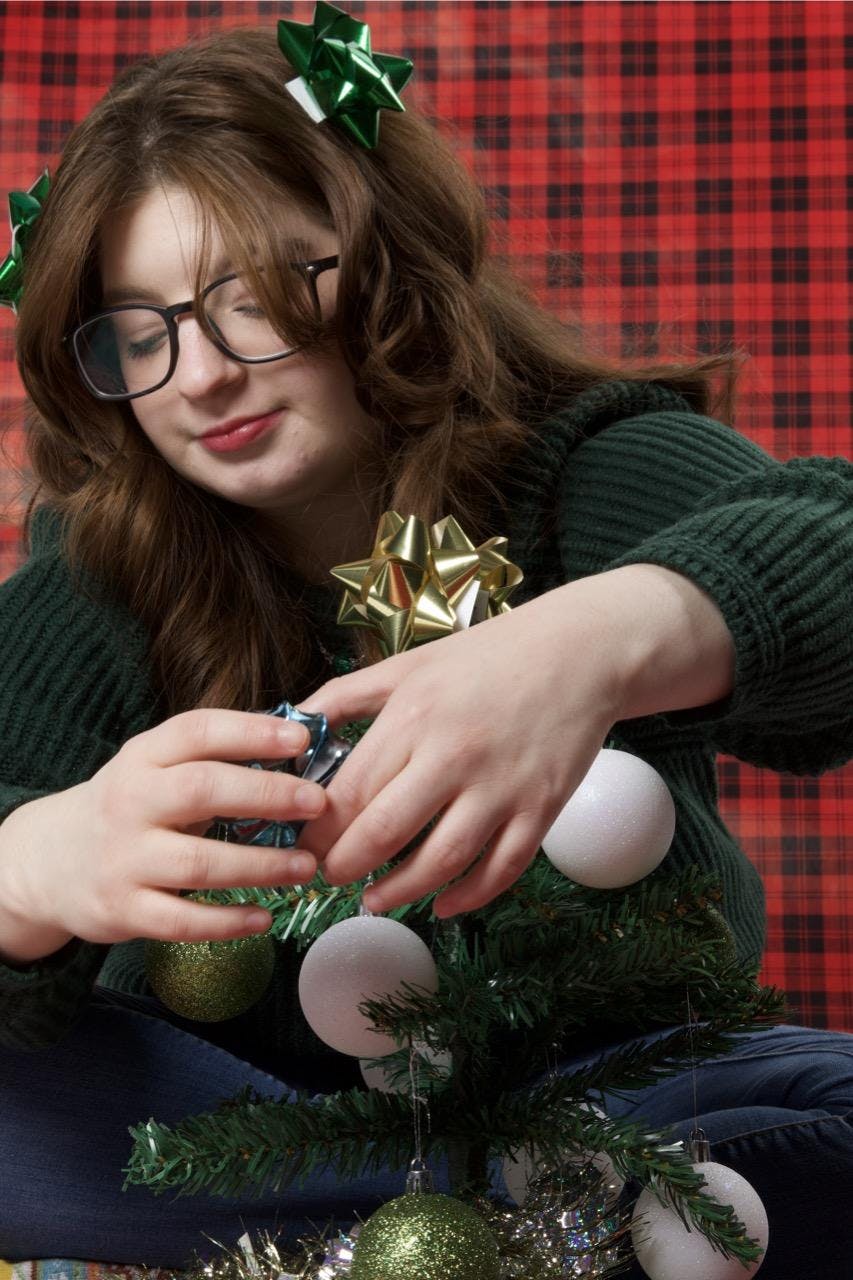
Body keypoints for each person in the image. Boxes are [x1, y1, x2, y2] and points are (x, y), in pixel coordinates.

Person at [0, 13, 850, 1276]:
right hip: (242, 1123)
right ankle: (508, 1232)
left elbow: (823, 544)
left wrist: (596, 641)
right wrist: (26, 866)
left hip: (614, 1087)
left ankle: (451, 1228)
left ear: (386, 264)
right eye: (139, 331)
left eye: (255, 297)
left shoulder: (582, 469)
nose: (199, 378)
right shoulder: (107, 567)